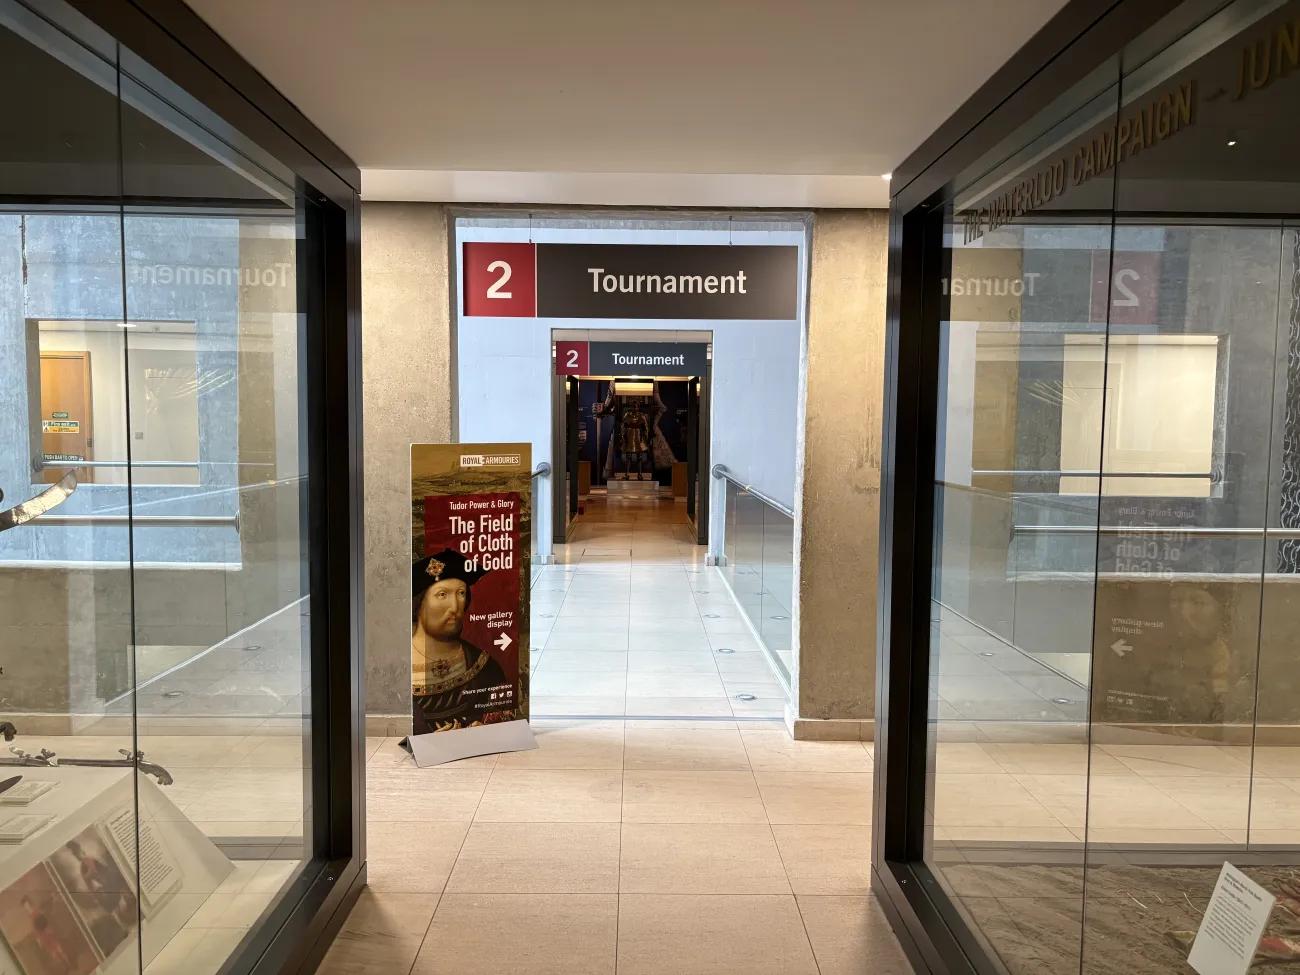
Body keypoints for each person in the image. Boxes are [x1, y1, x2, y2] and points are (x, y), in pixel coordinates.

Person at [410, 548, 510, 734]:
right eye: (442, 594)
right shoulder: (396, 666)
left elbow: (504, 716)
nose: (455, 606)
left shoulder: (485, 667)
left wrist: (484, 729)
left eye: (461, 593)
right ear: (419, 604)